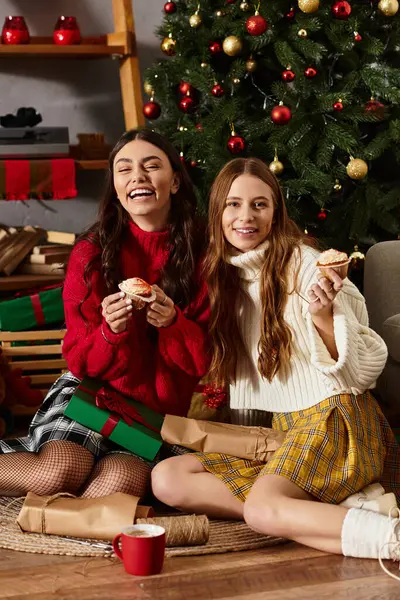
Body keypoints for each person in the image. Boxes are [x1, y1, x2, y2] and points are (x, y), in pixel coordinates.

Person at [152, 157, 400, 563]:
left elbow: (362, 374)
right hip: (285, 430)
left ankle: (390, 536)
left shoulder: (305, 266)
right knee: (170, 479)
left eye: (259, 204)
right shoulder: (224, 275)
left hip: (335, 421)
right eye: (233, 204)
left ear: (276, 211)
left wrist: (323, 318)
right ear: (217, 212)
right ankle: (340, 515)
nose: (245, 217)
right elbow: (244, 382)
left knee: (261, 508)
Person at [0, 129, 210, 499]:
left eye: (152, 166)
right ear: (115, 187)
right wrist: (109, 332)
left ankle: (61, 530)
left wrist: (173, 324)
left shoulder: (204, 255)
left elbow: (203, 361)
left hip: (151, 415)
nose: (137, 177)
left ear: (175, 181)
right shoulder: (90, 253)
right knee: (55, 473)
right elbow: (80, 361)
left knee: (114, 488)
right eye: (124, 169)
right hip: (91, 393)